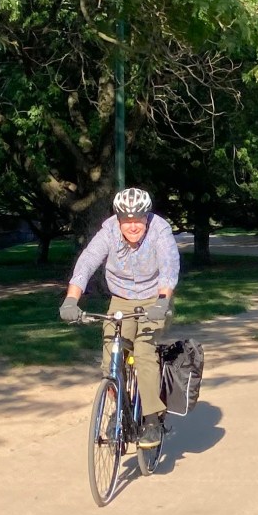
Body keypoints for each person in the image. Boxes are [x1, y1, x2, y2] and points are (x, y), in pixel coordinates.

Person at [59, 187, 180, 447]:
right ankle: (120, 408)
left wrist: (163, 301)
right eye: (127, 220)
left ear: (147, 217)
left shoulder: (160, 231)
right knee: (112, 354)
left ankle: (152, 421)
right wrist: (71, 299)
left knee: (143, 351)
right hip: (122, 300)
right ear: (119, 219)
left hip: (154, 298)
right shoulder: (109, 232)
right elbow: (87, 263)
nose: (133, 226)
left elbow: (169, 268)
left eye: (139, 219)